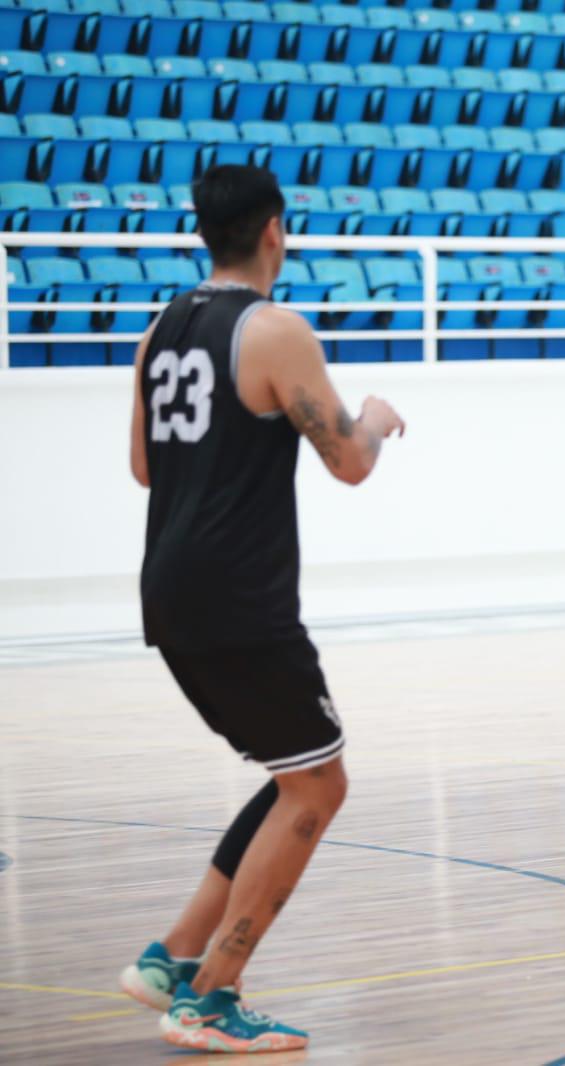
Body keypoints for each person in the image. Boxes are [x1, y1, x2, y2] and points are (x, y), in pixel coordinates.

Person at [117, 164, 406, 1053]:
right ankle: (210, 996)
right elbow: (349, 462)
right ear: (275, 230)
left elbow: (142, 465)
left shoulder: (163, 326)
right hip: (236, 596)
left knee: (295, 774)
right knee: (321, 784)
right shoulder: (273, 329)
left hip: (166, 586)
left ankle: (172, 957)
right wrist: (374, 414)